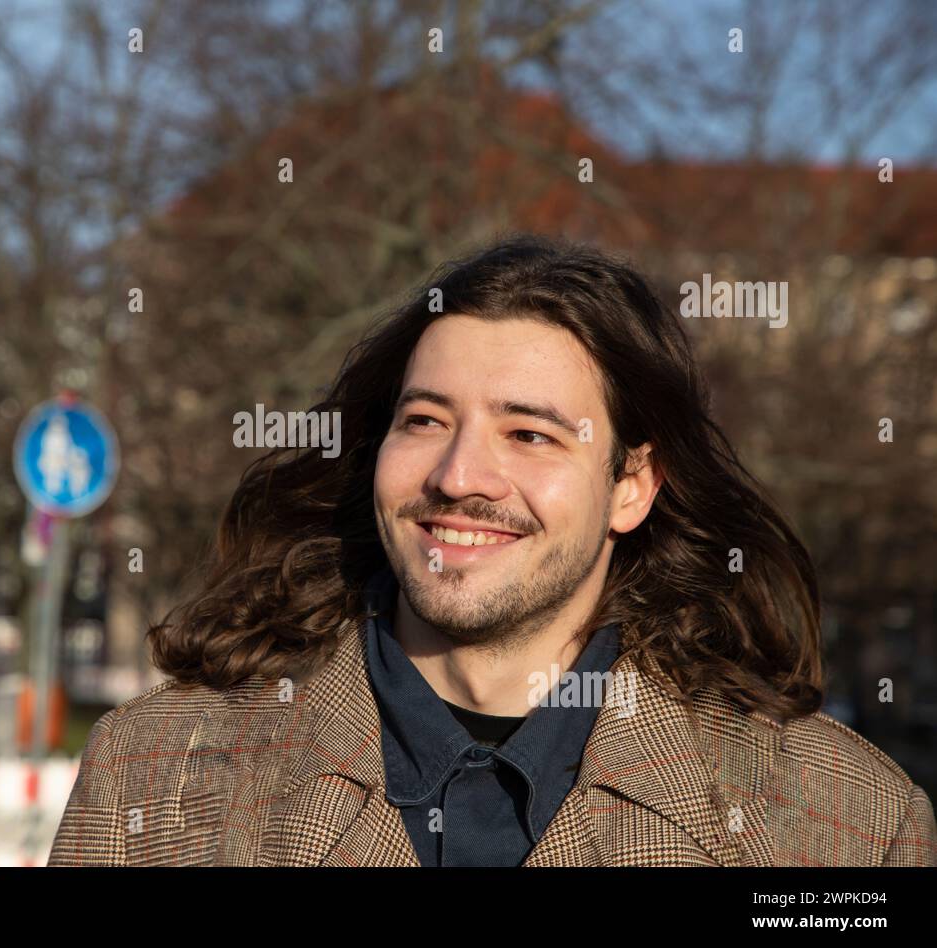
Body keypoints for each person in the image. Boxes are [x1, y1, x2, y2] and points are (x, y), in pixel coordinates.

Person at [48, 234, 936, 866]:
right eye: (425, 420)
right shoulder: (153, 778)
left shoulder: (846, 823)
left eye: (531, 435)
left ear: (632, 486)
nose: (459, 474)